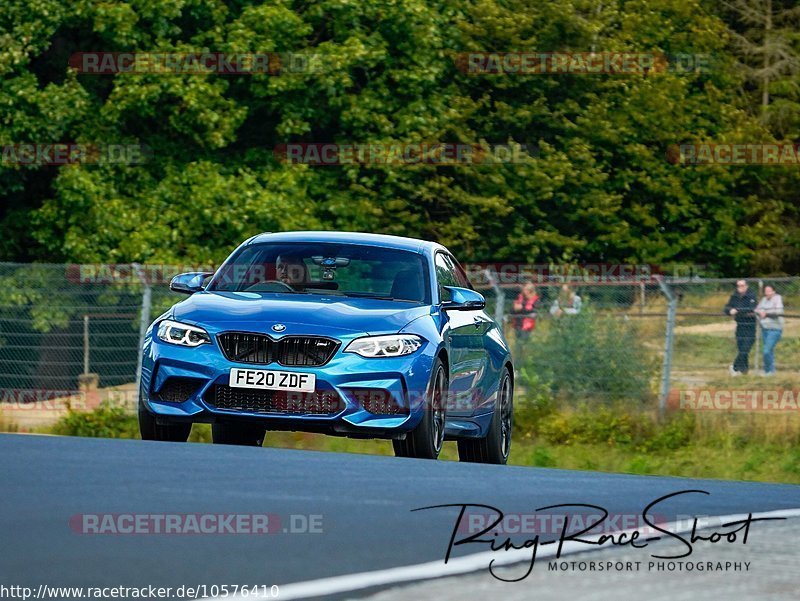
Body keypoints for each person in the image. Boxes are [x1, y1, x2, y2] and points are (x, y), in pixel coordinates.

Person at [724, 279, 757, 375]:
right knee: (741, 348)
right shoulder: (734, 296)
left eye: (742, 286)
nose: (740, 288)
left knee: (745, 348)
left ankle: (734, 367)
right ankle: (743, 370)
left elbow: (751, 308)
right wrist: (730, 310)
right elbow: (727, 307)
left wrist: (737, 310)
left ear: (746, 286)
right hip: (740, 325)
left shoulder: (751, 295)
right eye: (738, 286)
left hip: (750, 325)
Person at [756, 284, 784, 375]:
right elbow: (757, 309)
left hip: (775, 329)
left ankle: (768, 371)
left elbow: (778, 312)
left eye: (769, 291)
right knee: (769, 351)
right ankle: (770, 372)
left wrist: (766, 313)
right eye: (765, 291)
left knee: (766, 351)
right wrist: (760, 312)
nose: (767, 293)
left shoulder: (777, 298)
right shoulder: (764, 300)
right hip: (765, 329)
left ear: (773, 291)